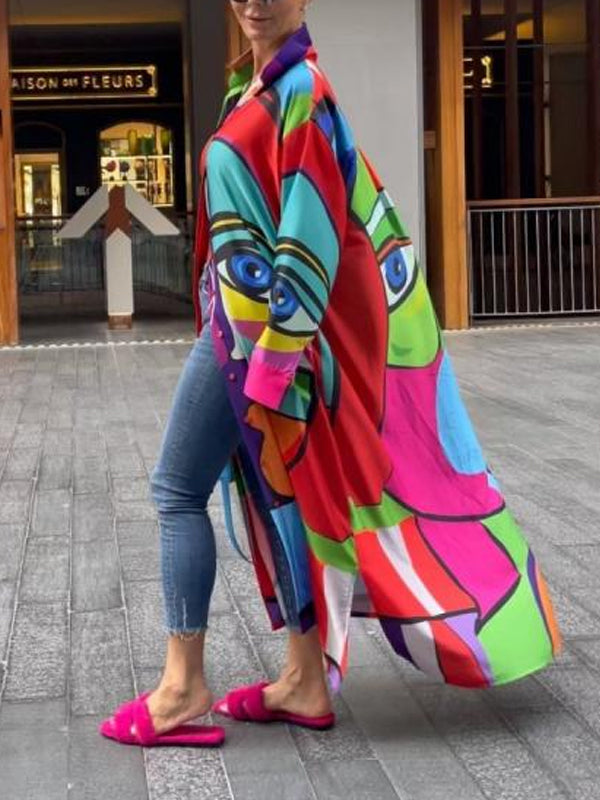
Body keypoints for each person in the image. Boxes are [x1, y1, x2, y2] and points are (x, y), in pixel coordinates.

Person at [99, 0, 562, 748]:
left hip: (256, 342)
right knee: (280, 500)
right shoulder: (252, 87)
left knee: (175, 489)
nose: (255, 2)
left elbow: (310, 234)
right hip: (246, 332)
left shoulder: (301, 93)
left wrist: (274, 366)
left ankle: (182, 688)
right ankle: (305, 679)